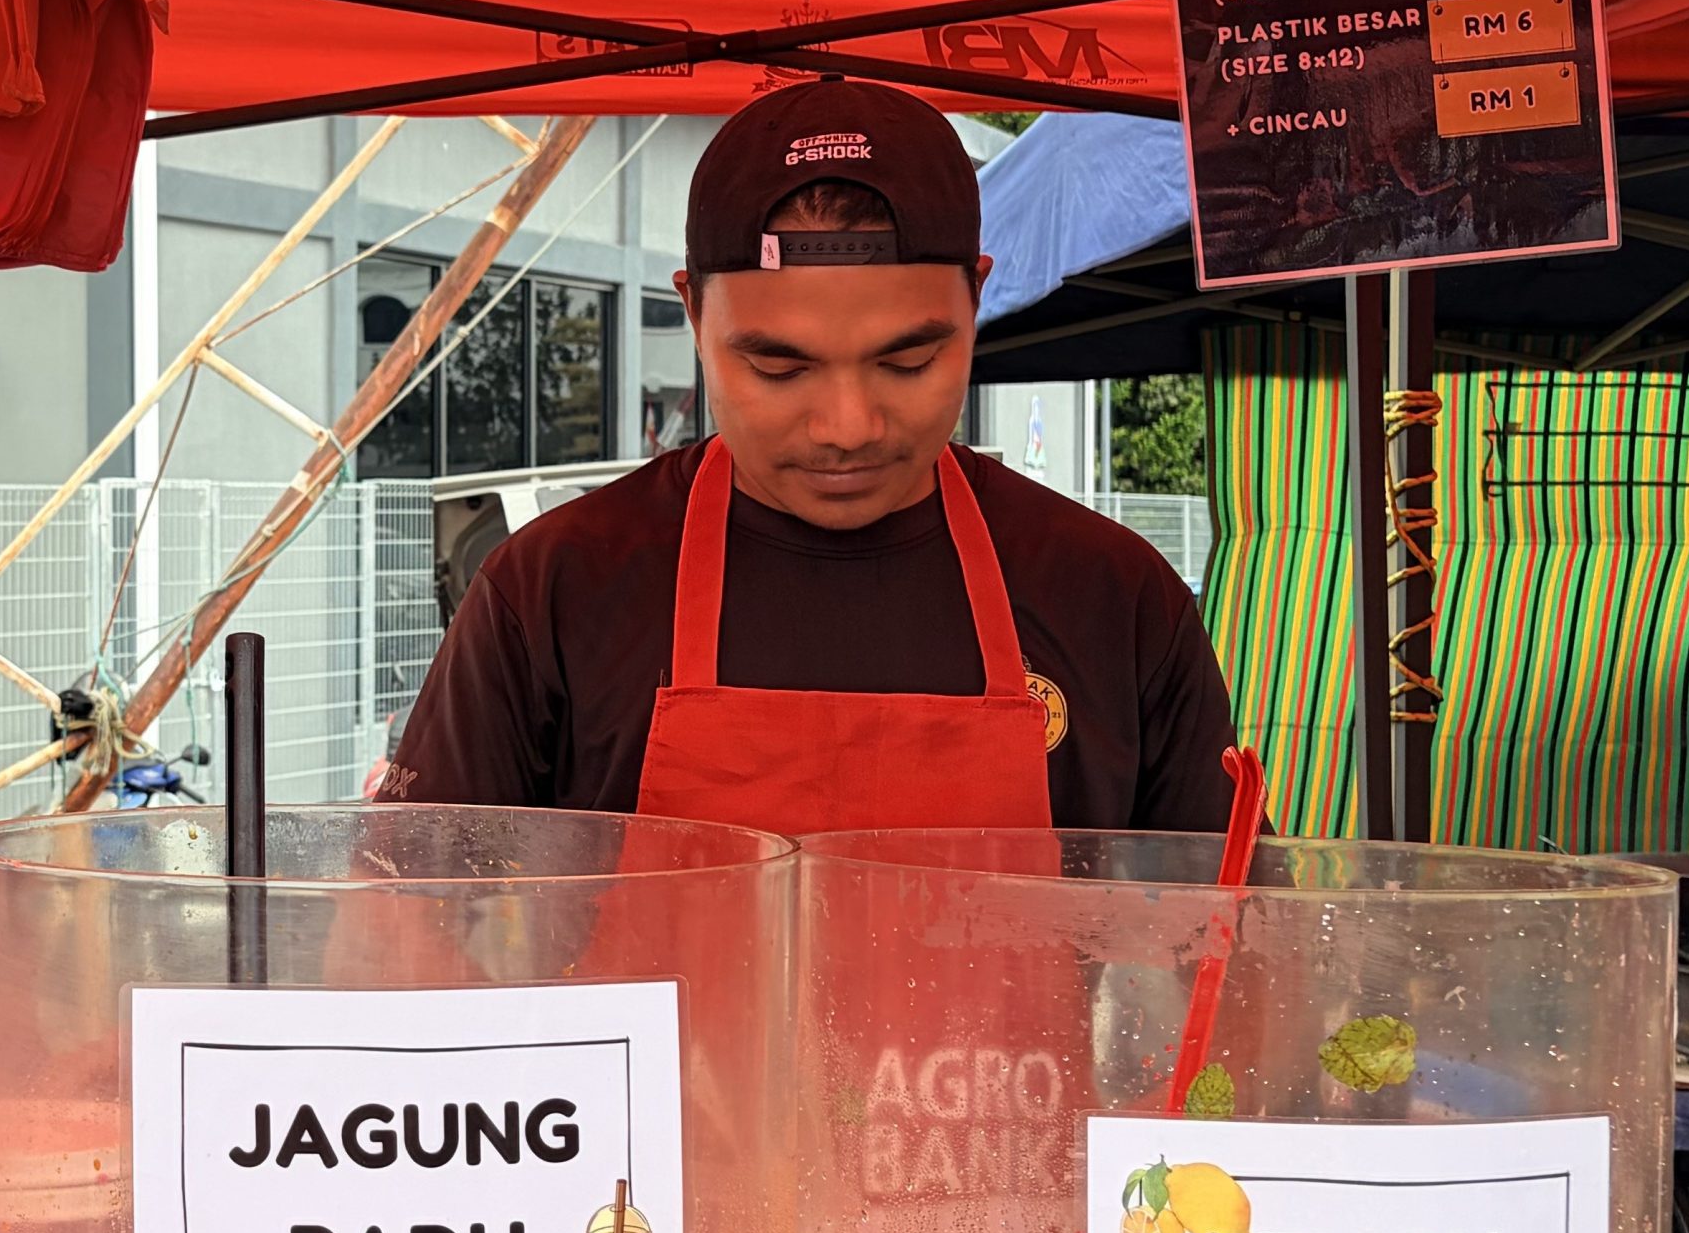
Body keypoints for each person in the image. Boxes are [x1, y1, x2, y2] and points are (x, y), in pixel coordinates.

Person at [387, 79, 1234, 835]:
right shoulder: (550, 593)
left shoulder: (1116, 601)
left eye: (908, 362)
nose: (848, 426)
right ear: (692, 311)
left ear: (977, 296)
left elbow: (1223, 958)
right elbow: (414, 940)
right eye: (778, 366)